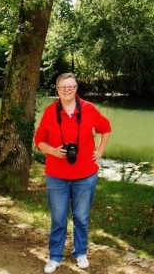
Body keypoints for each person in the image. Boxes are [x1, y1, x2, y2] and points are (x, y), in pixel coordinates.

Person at [34, 73, 112, 273]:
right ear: (57, 90)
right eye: (63, 87)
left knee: (81, 217)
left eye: (71, 86)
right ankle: (55, 256)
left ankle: (80, 253)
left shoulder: (88, 109)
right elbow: (39, 141)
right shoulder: (50, 112)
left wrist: (100, 152)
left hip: (85, 175)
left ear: (76, 88)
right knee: (58, 218)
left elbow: (106, 128)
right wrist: (53, 151)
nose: (67, 89)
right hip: (56, 175)